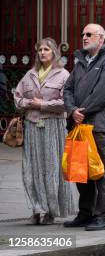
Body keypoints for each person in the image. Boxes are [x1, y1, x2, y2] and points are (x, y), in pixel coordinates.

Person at [63, 24, 105, 231]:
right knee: (81, 171)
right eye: (83, 34)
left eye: (89, 34)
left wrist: (81, 111)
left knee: (101, 171)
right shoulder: (80, 61)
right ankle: (86, 213)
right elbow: (67, 89)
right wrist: (72, 110)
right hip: (78, 124)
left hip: (97, 125)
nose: (84, 37)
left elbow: (104, 92)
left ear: (101, 37)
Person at [13, 38, 74, 225]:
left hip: (53, 127)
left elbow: (66, 103)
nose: (42, 53)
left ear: (54, 52)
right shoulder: (30, 74)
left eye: (46, 49)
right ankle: (36, 208)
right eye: (40, 50)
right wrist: (26, 103)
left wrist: (43, 104)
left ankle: (50, 211)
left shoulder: (63, 75)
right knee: (31, 170)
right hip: (32, 127)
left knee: (51, 169)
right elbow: (17, 97)